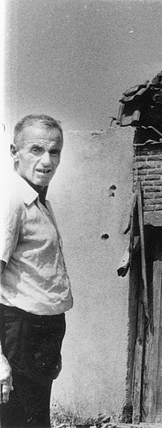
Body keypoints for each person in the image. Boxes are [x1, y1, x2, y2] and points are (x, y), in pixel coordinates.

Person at [0, 114, 73, 427]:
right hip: (20, 331)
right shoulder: (11, 201)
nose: (46, 161)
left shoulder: (38, 201)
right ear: (15, 152)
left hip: (42, 332)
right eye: (36, 150)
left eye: (54, 151)